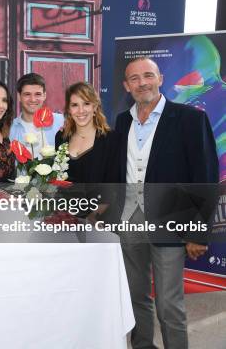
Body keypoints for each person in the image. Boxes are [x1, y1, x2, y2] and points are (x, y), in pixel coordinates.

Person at [115, 57, 218, 349]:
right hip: (129, 223)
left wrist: (198, 231)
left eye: (148, 75)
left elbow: (205, 178)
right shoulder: (122, 122)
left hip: (171, 224)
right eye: (134, 78)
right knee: (135, 299)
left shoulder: (190, 119)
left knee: (170, 305)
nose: (142, 82)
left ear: (160, 78)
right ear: (126, 85)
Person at [55, 82, 120, 184]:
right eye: (75, 105)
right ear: (69, 109)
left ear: (94, 107)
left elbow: (114, 185)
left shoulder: (110, 139)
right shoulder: (61, 137)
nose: (81, 111)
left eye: (86, 104)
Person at [10, 72, 64, 149]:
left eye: (38, 94)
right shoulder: (11, 129)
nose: (33, 99)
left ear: (44, 96)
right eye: (27, 94)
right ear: (19, 96)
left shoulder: (61, 121)